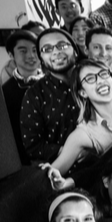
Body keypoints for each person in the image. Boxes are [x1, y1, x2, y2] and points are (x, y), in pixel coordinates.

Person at [42, 59, 112, 183]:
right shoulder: (83, 133)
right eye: (90, 78)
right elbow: (55, 171)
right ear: (82, 92)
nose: (100, 81)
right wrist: (47, 172)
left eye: (104, 74)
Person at [20, 28, 80, 162]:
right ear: (40, 58)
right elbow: (33, 146)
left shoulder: (95, 78)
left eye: (62, 45)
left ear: (75, 50)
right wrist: (73, 152)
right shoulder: (34, 95)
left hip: (108, 160)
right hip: (64, 171)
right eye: (47, 49)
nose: (56, 52)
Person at [1, 30, 43, 165]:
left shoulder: (53, 82)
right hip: (26, 161)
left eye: (35, 50)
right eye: (23, 51)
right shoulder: (5, 91)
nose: (31, 56)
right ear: (10, 54)